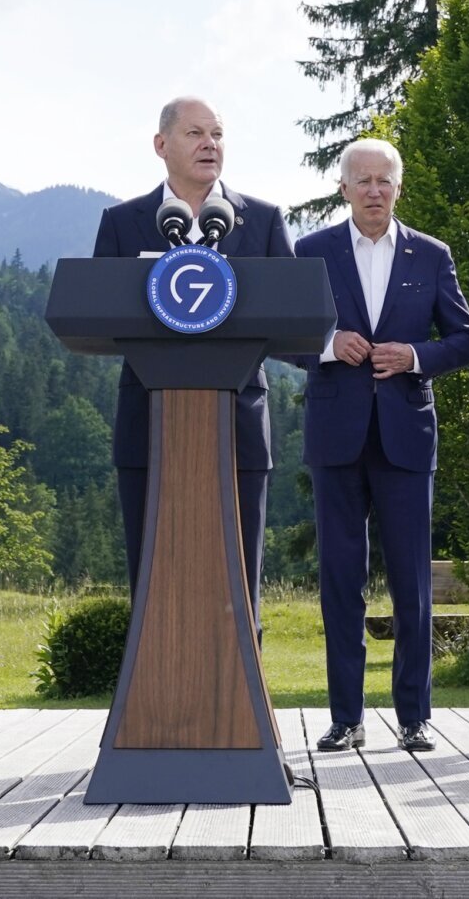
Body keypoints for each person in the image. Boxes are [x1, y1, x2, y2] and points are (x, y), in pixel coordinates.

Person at [294, 138, 469, 754]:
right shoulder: (311, 252)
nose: (374, 190)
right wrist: (328, 345)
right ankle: (345, 719)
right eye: (363, 180)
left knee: (412, 585)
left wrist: (415, 356)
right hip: (336, 438)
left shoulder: (432, 254)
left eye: (384, 180)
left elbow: (467, 338)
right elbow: (282, 336)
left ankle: (415, 718)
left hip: (406, 437)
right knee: (340, 582)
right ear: (343, 188)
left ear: (399, 187)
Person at [92, 95, 293, 623]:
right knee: (153, 578)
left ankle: (242, 676)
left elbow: (295, 320)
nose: (210, 144)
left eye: (218, 134)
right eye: (195, 134)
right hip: (149, 422)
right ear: (161, 145)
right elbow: (96, 313)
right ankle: (152, 676)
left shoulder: (263, 221)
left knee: (238, 579)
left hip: (238, 424)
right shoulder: (123, 222)